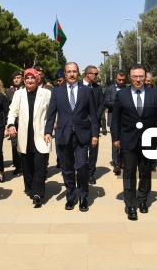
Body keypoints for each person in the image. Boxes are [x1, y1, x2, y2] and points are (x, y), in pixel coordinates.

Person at [112, 64, 157, 220]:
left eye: (141, 76)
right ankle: (130, 205)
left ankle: (143, 200)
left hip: (148, 141)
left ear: (146, 78)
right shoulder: (122, 95)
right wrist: (116, 138)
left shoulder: (155, 94)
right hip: (128, 141)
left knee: (145, 172)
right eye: (135, 77)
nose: (138, 80)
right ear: (130, 78)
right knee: (129, 173)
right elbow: (116, 119)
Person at [44, 62, 99, 212]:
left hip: (82, 135)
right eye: (69, 72)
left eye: (74, 71)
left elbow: (93, 115)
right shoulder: (57, 91)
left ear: (78, 73)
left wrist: (95, 134)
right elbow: (51, 114)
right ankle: (70, 196)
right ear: (65, 74)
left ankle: (83, 196)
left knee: (82, 165)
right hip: (63, 135)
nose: (72, 74)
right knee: (67, 168)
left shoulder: (86, 91)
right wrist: (48, 131)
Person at [6, 68, 52, 208]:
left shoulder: (46, 93)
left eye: (32, 78)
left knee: (40, 163)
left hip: (41, 134)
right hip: (24, 135)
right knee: (27, 165)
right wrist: (11, 125)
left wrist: (52, 125)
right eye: (27, 78)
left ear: (37, 79)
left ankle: (38, 194)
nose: (29, 81)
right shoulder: (18, 94)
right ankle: (30, 186)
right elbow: (12, 111)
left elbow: (52, 111)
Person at [82, 65, 104, 185]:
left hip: (94, 124)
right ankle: (81, 171)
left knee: (93, 150)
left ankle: (90, 173)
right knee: (81, 150)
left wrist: (95, 116)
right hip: (80, 124)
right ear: (87, 74)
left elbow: (101, 104)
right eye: (95, 74)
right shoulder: (78, 86)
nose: (96, 76)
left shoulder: (97, 88)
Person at [104, 70, 126, 175]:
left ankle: (123, 161)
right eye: (119, 80)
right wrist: (119, 104)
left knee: (125, 142)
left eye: (123, 80)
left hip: (126, 120)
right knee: (115, 141)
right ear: (115, 79)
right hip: (114, 120)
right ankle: (116, 163)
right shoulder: (109, 89)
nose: (121, 82)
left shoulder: (127, 88)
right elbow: (106, 102)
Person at [6, 70, 24, 176]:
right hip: (14, 123)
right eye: (15, 78)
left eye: (18, 77)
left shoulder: (27, 90)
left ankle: (26, 165)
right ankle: (18, 165)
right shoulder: (9, 92)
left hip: (25, 121)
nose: (16, 79)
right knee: (14, 144)